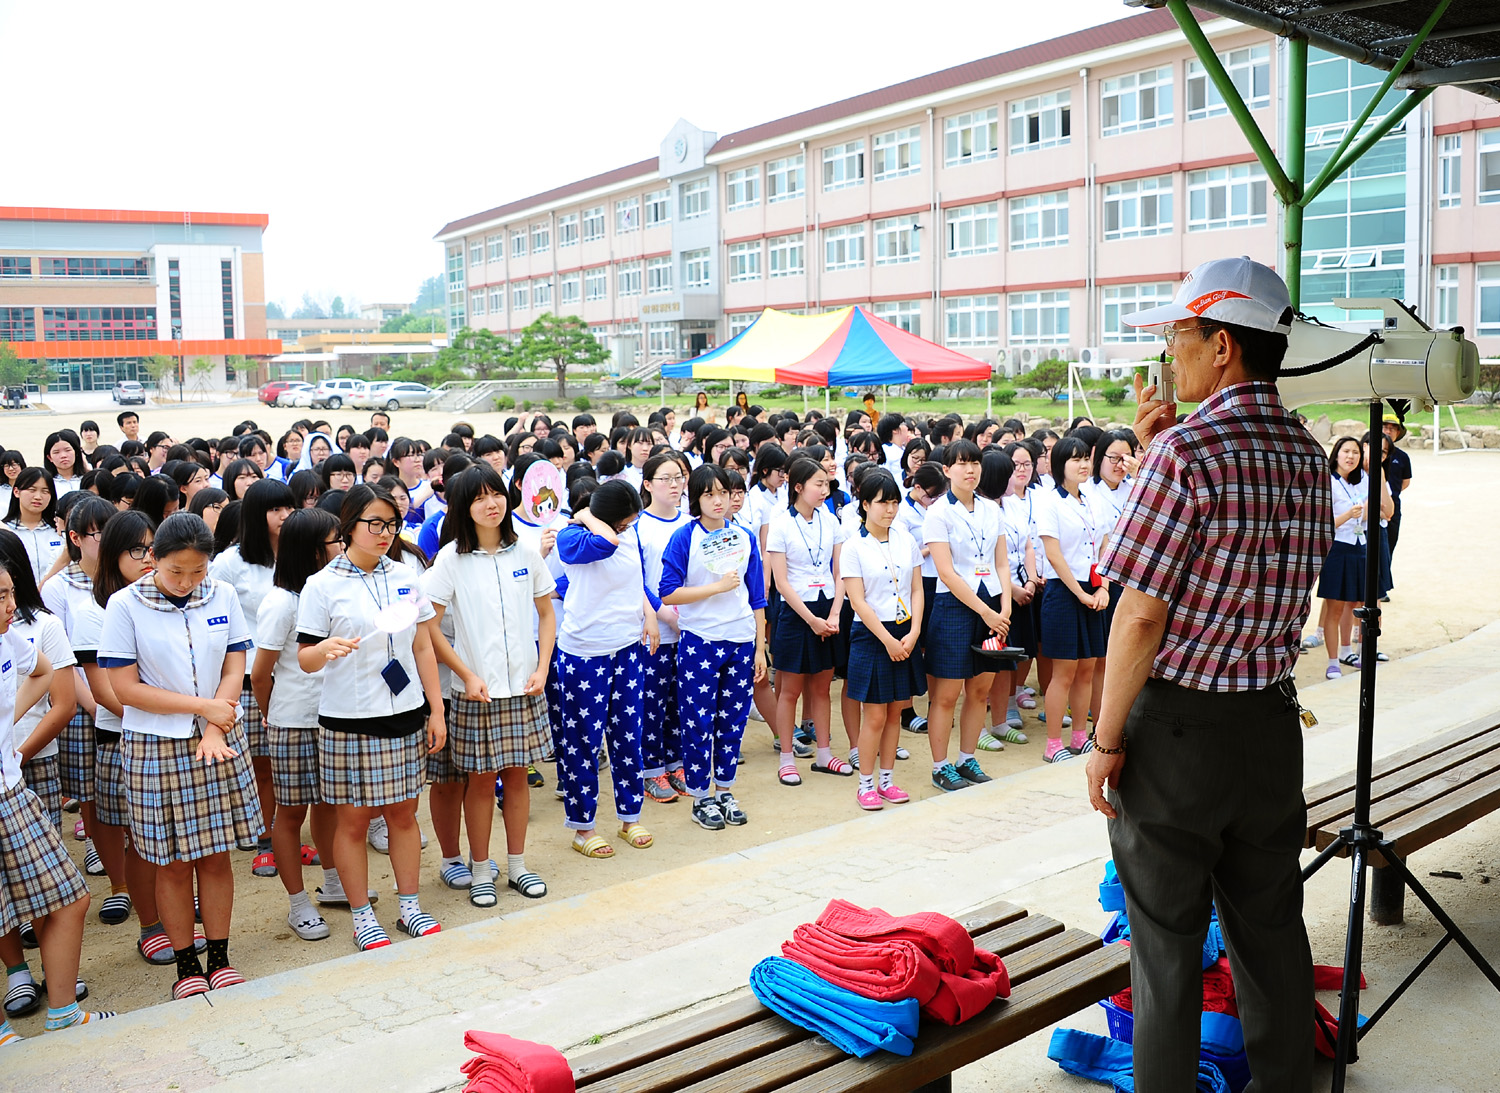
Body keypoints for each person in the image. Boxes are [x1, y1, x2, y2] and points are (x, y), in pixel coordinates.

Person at [1084, 257, 1331, 1092]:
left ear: (1221, 344)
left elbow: (1140, 613)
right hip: (1267, 726)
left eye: (1178, 336)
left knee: (1166, 950)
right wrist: (1156, 451)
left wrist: (1106, 738)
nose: (1171, 352)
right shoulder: (1306, 450)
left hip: (1179, 735)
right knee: (1272, 933)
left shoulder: (1184, 453)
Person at [100, 513, 261, 1000]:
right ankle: (185, 961)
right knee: (171, 861)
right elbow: (125, 689)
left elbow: (235, 666)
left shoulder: (223, 595)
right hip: (156, 744)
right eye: (176, 572)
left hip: (220, 734)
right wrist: (202, 710)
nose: (188, 582)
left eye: (197, 572)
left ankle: (219, 955)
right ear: (154, 559)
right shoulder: (124, 605)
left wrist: (215, 725)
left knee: (215, 857)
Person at [296, 486, 446, 951]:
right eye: (374, 524)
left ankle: (409, 907)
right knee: (353, 822)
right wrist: (323, 650)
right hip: (349, 720)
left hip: (405, 713)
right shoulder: (321, 584)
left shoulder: (405, 575)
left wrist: (436, 708)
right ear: (348, 525)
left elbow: (422, 645)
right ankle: (362, 915)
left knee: (404, 815)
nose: (385, 533)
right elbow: (305, 658)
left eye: (392, 524)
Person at [422, 465, 555, 906]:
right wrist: (465, 673)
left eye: (496, 494)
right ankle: (481, 870)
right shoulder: (449, 560)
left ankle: (517, 865)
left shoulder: (527, 553)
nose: (491, 504)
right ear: (463, 507)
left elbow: (546, 613)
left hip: (524, 686)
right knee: (479, 783)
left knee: (517, 778)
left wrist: (543, 666)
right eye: (479, 498)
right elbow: (430, 625)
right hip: (475, 691)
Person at [552, 481, 659, 859]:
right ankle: (583, 827)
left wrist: (650, 616)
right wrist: (585, 516)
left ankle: (630, 816)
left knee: (628, 736)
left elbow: (639, 581)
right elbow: (605, 545)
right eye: (624, 522)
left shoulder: (628, 535)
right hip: (585, 653)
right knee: (583, 742)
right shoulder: (572, 536)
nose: (629, 528)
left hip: (627, 647)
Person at [251, 508, 343, 942]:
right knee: (290, 815)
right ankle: (298, 903)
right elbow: (259, 673)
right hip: (293, 722)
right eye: (333, 541)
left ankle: (334, 881)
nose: (341, 547)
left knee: (329, 806)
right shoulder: (281, 601)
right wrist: (273, 717)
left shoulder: (327, 592)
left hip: (334, 716)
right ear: (311, 549)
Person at [659, 464, 767, 831]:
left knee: (733, 720)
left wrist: (760, 646)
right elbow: (668, 592)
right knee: (697, 721)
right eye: (709, 494)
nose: (719, 501)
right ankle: (700, 795)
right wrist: (715, 588)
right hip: (699, 640)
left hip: (740, 639)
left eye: (725, 493)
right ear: (697, 498)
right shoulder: (684, 538)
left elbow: (757, 597)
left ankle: (725, 790)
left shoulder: (744, 536)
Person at [921, 440, 1010, 792]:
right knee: (946, 694)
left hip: (992, 604)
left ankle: (966, 757)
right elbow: (946, 572)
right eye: (961, 464)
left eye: (974, 463)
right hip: (955, 607)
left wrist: (1005, 607)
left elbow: (1001, 562)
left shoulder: (992, 509)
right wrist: (988, 611)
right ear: (946, 470)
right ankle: (941, 766)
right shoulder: (938, 513)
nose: (970, 470)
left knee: (980, 690)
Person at [840, 471, 922, 811]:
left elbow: (917, 589)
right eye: (882, 503)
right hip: (873, 635)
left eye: (894, 502)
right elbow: (857, 601)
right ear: (864, 504)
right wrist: (888, 639)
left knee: (894, 713)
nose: (890, 510)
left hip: (905, 631)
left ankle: (887, 779)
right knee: (874, 715)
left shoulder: (906, 539)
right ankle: (866, 784)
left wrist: (915, 631)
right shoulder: (853, 546)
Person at [766, 457, 848, 786]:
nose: (824, 490)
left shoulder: (830, 521)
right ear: (798, 487)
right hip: (795, 612)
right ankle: (787, 758)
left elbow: (841, 570)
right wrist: (812, 619)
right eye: (818, 484)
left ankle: (825, 753)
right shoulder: (781, 523)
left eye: (826, 484)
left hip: (828, 608)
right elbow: (782, 582)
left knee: (822, 688)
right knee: (790, 690)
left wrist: (834, 613)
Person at [1035, 437, 1108, 761]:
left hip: (1093, 589)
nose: (1083, 465)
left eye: (1085, 459)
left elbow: (1104, 548)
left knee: (1087, 669)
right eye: (1074, 459)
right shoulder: (1050, 502)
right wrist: (1079, 593)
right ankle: (1053, 744)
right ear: (1059, 464)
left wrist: (1103, 588)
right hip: (1064, 592)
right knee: (1063, 672)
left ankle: (1081, 736)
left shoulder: (1093, 499)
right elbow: (1053, 554)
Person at [633, 455, 691, 804]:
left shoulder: (691, 524)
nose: (674, 484)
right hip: (652, 631)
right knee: (650, 704)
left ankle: (676, 763)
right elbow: (634, 578)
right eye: (666, 478)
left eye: (680, 477)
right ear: (648, 484)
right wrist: (662, 611)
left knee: (678, 703)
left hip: (690, 629)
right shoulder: (638, 526)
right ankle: (651, 771)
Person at [5, 468, 62, 586]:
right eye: (32, 490)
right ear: (16, 492)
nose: (38, 497)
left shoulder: (58, 532)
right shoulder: (5, 531)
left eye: (45, 491)